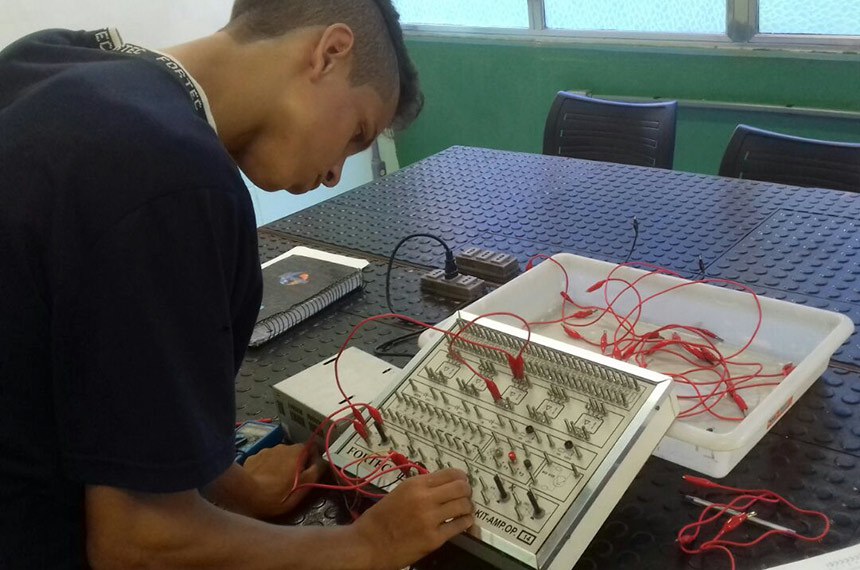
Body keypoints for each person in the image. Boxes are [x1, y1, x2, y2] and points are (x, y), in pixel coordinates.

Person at [0, 1, 474, 568]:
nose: (334, 172)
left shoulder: (53, 59)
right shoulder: (172, 177)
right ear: (329, 52)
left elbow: (101, 376)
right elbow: (138, 543)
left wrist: (235, 488)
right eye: (356, 133)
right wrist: (367, 544)